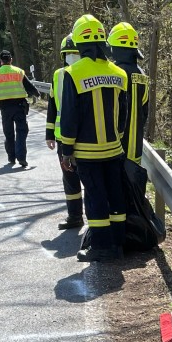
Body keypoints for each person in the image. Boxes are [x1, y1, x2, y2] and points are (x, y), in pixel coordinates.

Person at [57, 14, 127, 262]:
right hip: (114, 150)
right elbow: (123, 116)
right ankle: (119, 243)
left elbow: (69, 117)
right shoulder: (119, 73)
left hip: (86, 153)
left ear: (77, 42)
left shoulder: (72, 73)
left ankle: (101, 247)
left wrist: (67, 149)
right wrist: (116, 139)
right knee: (115, 195)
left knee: (95, 197)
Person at [45, 35, 84, 230]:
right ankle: (75, 216)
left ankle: (87, 218)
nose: (72, 57)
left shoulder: (85, 73)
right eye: (69, 54)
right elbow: (52, 105)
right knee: (70, 179)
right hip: (65, 138)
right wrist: (49, 134)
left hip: (83, 139)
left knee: (83, 178)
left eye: (74, 53)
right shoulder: (58, 75)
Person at [108, 21, 150, 188]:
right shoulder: (142, 74)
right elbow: (145, 110)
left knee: (117, 189)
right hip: (136, 145)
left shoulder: (114, 72)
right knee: (133, 188)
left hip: (115, 145)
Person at [0, 49, 41, 168]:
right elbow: (29, 85)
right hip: (19, 106)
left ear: (1, 61)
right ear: (11, 59)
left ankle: (11, 157)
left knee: (9, 133)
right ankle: (21, 157)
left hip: (5, 108)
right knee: (21, 131)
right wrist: (37, 93)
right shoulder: (19, 72)